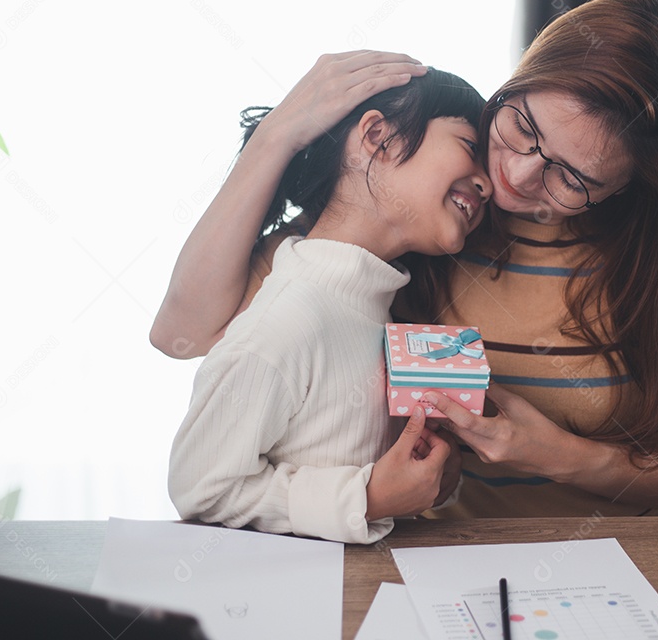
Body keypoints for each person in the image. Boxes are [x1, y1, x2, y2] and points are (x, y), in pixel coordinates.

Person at [154, 0, 658, 519]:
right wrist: (277, 134)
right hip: (436, 565)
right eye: (522, 125)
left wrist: (559, 456)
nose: (512, 172)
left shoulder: (648, 262)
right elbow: (182, 331)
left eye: (572, 178)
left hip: (623, 569)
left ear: (621, 189)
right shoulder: (423, 215)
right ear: (518, 79)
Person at [166, 67, 491, 543]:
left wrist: (419, 479)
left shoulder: (376, 312)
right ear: (378, 137)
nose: (487, 183)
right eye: (468, 146)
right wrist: (368, 498)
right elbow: (199, 487)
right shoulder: (288, 318)